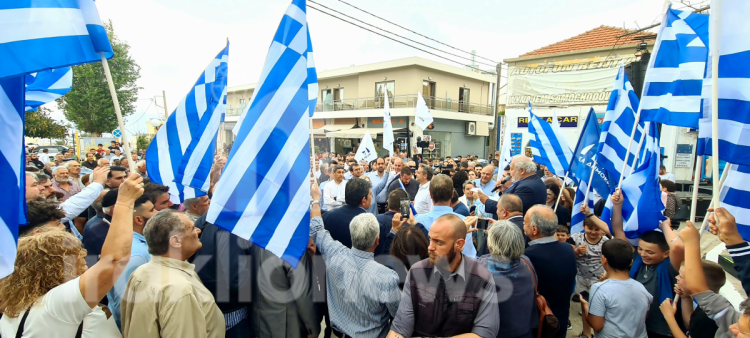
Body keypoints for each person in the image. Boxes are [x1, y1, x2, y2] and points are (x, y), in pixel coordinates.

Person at [0, 174, 144, 338]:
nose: (64, 228)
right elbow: (113, 262)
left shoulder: (15, 308)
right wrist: (125, 202)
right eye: (57, 225)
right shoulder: (56, 304)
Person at [310, 183, 401, 338]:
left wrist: (316, 200)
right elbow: (400, 315)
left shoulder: (334, 254)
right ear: (377, 241)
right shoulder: (387, 278)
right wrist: (394, 232)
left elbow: (317, 229)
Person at [389, 214, 500, 338]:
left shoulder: (482, 278)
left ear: (459, 244)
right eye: (430, 239)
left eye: (438, 242)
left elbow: (485, 333)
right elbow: (400, 328)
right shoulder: (416, 272)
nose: (430, 247)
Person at [120, 209, 224, 338]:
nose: (198, 231)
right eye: (191, 228)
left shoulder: (140, 271)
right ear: (175, 241)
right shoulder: (179, 288)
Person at [611, 189, 685, 338]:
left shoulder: (671, 266)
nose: (644, 254)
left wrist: (665, 225)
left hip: (661, 328)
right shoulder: (637, 260)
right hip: (636, 323)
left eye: (650, 252)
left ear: (666, 253)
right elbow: (618, 231)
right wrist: (617, 206)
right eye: (641, 249)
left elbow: (677, 247)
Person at [579, 239, 653, 338]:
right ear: (631, 262)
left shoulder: (599, 288)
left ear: (604, 259)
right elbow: (645, 316)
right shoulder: (641, 287)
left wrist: (586, 307)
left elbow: (597, 325)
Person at [194, 216, 254, 337]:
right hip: (231, 312)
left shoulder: (207, 221)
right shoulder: (228, 229)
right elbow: (236, 279)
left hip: (214, 304)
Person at [523, 205, 577, 338]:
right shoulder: (568, 249)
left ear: (534, 229)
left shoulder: (527, 257)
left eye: (525, 222)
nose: (523, 225)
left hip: (540, 324)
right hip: (560, 321)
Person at [477, 220, 538, 338]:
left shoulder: (479, 266)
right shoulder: (526, 262)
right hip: (523, 330)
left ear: (489, 245)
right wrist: (506, 228)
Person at [105, 195, 156, 329]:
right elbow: (126, 303)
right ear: (138, 219)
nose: (157, 214)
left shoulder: (135, 244)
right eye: (152, 211)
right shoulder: (135, 254)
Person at [250, 244, 320, 338]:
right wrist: (313, 329)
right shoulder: (293, 246)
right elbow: (304, 296)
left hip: (259, 325)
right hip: (288, 328)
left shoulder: (251, 241)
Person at [415, 174, 478, 258]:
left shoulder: (416, 221)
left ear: (430, 194)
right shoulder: (464, 222)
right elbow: (470, 256)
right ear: (452, 194)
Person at [571, 220, 609, 338]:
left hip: (598, 279)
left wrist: (607, 275)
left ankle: (598, 333)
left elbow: (609, 260)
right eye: (589, 228)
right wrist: (576, 251)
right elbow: (568, 255)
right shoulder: (576, 238)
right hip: (580, 278)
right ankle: (586, 334)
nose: (593, 232)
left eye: (596, 229)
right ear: (583, 226)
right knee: (584, 305)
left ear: (602, 230)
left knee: (598, 308)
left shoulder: (606, 242)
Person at [482, 156, 547, 216]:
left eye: (512, 169)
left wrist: (486, 201)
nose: (510, 172)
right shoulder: (530, 181)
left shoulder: (527, 187)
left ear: (522, 171)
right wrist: (505, 190)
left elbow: (509, 208)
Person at [321, 177, 372, 249]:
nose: (371, 198)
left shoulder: (327, 216)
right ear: (364, 200)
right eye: (370, 195)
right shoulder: (370, 223)